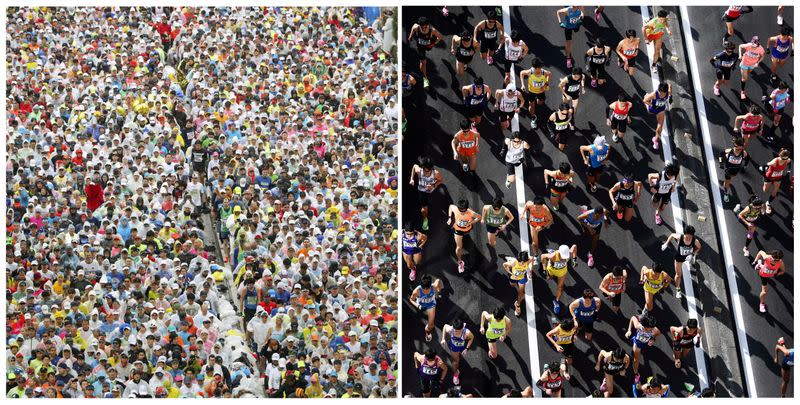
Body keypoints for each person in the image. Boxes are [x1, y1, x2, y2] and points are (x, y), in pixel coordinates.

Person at [662, 225, 702, 299]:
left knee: (691, 262)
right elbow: (672, 235)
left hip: (688, 257)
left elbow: (699, 247)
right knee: (678, 275)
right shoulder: (680, 237)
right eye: (687, 237)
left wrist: (693, 254)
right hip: (679, 258)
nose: (688, 238)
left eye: (690, 237)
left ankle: (691, 261)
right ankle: (678, 290)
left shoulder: (695, 241)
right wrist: (666, 244)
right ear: (684, 234)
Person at [625, 313, 662, 383]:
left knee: (644, 356)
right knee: (636, 360)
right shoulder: (638, 326)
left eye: (649, 329)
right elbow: (633, 317)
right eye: (645, 329)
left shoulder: (655, 330)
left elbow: (658, 333)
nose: (647, 331)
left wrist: (653, 339)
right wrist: (629, 330)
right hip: (637, 343)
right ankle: (636, 373)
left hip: (645, 343)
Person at [541, 244, 578, 313]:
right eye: (562, 256)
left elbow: (574, 246)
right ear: (559, 253)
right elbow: (542, 256)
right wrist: (544, 269)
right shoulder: (553, 256)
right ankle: (552, 251)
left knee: (560, 287)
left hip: (562, 272)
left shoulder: (569, 253)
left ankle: (556, 301)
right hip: (552, 270)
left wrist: (574, 259)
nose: (563, 258)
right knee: (550, 278)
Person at [410, 157, 444, 231]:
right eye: (425, 170)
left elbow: (441, 180)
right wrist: (412, 179)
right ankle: (425, 219)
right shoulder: (419, 171)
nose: (426, 173)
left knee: (434, 205)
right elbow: (414, 166)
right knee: (424, 210)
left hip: (431, 192)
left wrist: (434, 185)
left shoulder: (436, 173)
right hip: (421, 191)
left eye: (428, 171)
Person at [447, 199, 481, 273]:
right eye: (460, 211)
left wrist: (471, 222)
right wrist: (449, 218)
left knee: (466, 237)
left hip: (467, 229)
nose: (462, 212)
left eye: (464, 211)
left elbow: (479, 217)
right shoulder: (456, 209)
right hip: (458, 230)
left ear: (467, 208)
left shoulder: (471, 213)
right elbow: (450, 207)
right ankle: (460, 262)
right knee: (459, 248)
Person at [408, 17, 443, 88]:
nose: (424, 29)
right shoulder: (416, 27)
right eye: (422, 27)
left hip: (429, 45)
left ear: (428, 25)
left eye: (425, 27)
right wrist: (410, 36)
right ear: (419, 26)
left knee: (425, 57)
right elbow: (413, 26)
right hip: (420, 47)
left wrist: (433, 44)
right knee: (423, 62)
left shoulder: (432, 30)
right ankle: (425, 79)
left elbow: (440, 37)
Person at [519, 58, 552, 129]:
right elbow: (522, 73)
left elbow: (549, 74)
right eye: (540, 67)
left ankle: (538, 103)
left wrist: (546, 84)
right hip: (532, 92)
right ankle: (533, 118)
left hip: (541, 91)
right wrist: (522, 85)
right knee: (532, 105)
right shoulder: (530, 72)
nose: (541, 68)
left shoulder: (543, 72)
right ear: (536, 68)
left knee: (540, 102)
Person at [440, 317, 474, 385]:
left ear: (462, 328)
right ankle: (456, 373)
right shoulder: (450, 329)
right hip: (454, 347)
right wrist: (443, 338)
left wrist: (467, 348)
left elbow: (472, 338)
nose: (455, 332)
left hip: (462, 347)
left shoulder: (467, 333)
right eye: (454, 330)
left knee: (458, 359)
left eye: (457, 331)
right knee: (455, 362)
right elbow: (444, 326)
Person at [410, 275, 444, 342]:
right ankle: (429, 331)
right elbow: (411, 300)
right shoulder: (416, 291)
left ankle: (427, 332)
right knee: (431, 324)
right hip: (421, 305)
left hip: (431, 305)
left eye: (427, 288)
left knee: (430, 325)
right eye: (423, 288)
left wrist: (439, 291)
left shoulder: (434, 286)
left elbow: (438, 280)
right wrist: (418, 306)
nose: (425, 290)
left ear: (430, 286)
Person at [718, 136, 750, 202]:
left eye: (741, 149)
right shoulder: (729, 151)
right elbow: (720, 154)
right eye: (737, 149)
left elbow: (747, 159)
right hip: (728, 170)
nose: (739, 150)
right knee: (727, 182)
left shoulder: (743, 153)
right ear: (735, 146)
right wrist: (721, 163)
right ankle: (726, 193)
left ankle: (728, 184)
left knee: (732, 178)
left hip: (736, 170)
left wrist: (744, 166)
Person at [524, 196, 555, 263]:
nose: (537, 209)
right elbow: (526, 204)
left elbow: (551, 220)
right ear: (533, 204)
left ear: (542, 205)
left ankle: (546, 227)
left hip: (542, 224)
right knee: (535, 243)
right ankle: (536, 256)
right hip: (533, 225)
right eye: (536, 207)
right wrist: (523, 213)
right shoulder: (530, 205)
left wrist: (542, 227)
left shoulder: (546, 210)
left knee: (547, 222)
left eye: (539, 207)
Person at [643, 82, 672, 150]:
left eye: (663, 93)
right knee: (647, 99)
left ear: (665, 92)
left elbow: (670, 86)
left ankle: (655, 140)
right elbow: (644, 101)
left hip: (661, 110)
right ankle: (646, 95)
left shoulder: (668, 92)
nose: (661, 94)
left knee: (660, 127)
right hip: (652, 109)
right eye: (660, 92)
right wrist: (651, 105)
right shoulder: (654, 94)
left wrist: (670, 97)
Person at [760, 148, 791, 214]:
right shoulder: (774, 161)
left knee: (775, 191)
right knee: (765, 190)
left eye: (785, 159)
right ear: (780, 156)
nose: (784, 160)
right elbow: (763, 166)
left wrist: (788, 171)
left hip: (778, 177)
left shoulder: (787, 160)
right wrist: (764, 175)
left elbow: (789, 162)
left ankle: (768, 203)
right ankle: (765, 182)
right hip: (769, 177)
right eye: (783, 159)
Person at [503, 251, 533, 316]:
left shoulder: (528, 260)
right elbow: (504, 265)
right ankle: (510, 259)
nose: (521, 263)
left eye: (523, 262)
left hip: (522, 278)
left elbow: (532, 259)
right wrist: (510, 273)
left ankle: (517, 304)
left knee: (521, 292)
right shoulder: (514, 263)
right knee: (512, 285)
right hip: (513, 277)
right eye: (520, 262)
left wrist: (530, 271)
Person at [738, 36, 765, 100]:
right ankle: (742, 92)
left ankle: (746, 73)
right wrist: (740, 55)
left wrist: (757, 63)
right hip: (744, 63)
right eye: (752, 43)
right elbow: (740, 46)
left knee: (748, 72)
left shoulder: (761, 49)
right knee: (745, 78)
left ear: (758, 43)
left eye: (754, 44)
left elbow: (762, 57)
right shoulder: (748, 45)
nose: (753, 45)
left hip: (752, 65)